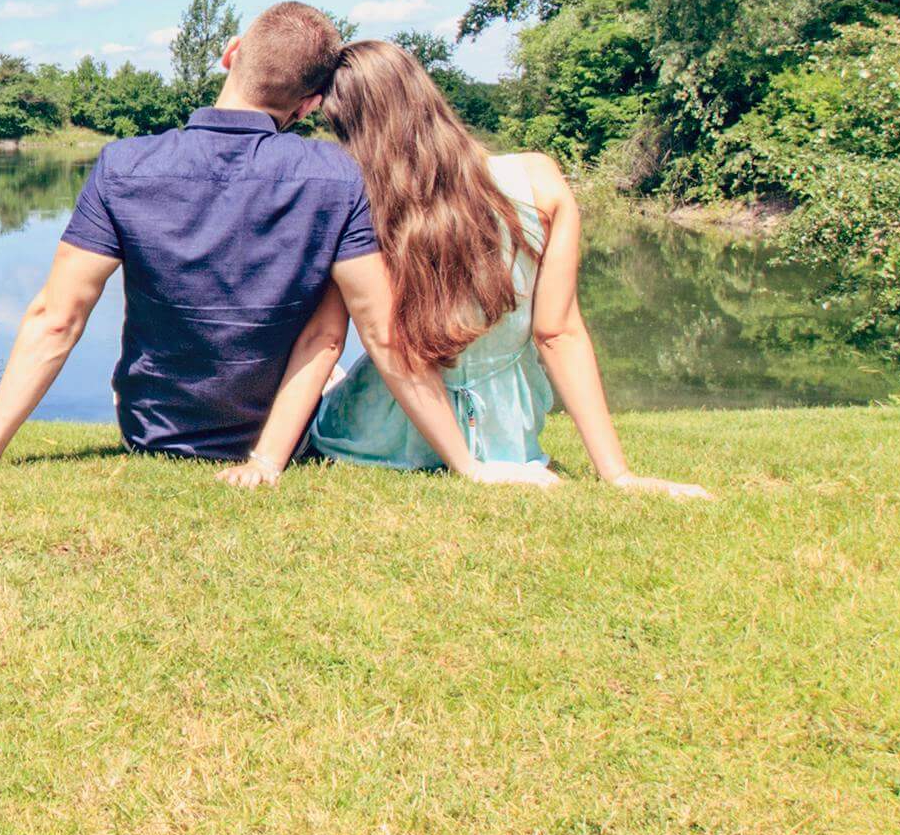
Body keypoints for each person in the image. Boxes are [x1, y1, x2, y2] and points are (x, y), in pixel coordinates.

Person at [0, 1, 555, 475]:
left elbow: (55, 320)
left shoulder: (123, 165)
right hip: (282, 436)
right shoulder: (336, 176)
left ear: (230, 53)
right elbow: (370, 334)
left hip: (153, 435)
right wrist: (470, 469)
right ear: (310, 103)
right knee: (332, 367)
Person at [219, 39, 710, 497]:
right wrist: (618, 474)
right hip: (504, 441)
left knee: (329, 371)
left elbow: (326, 339)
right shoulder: (540, 180)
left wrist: (267, 459)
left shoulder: (358, 203)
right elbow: (558, 335)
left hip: (376, 439)